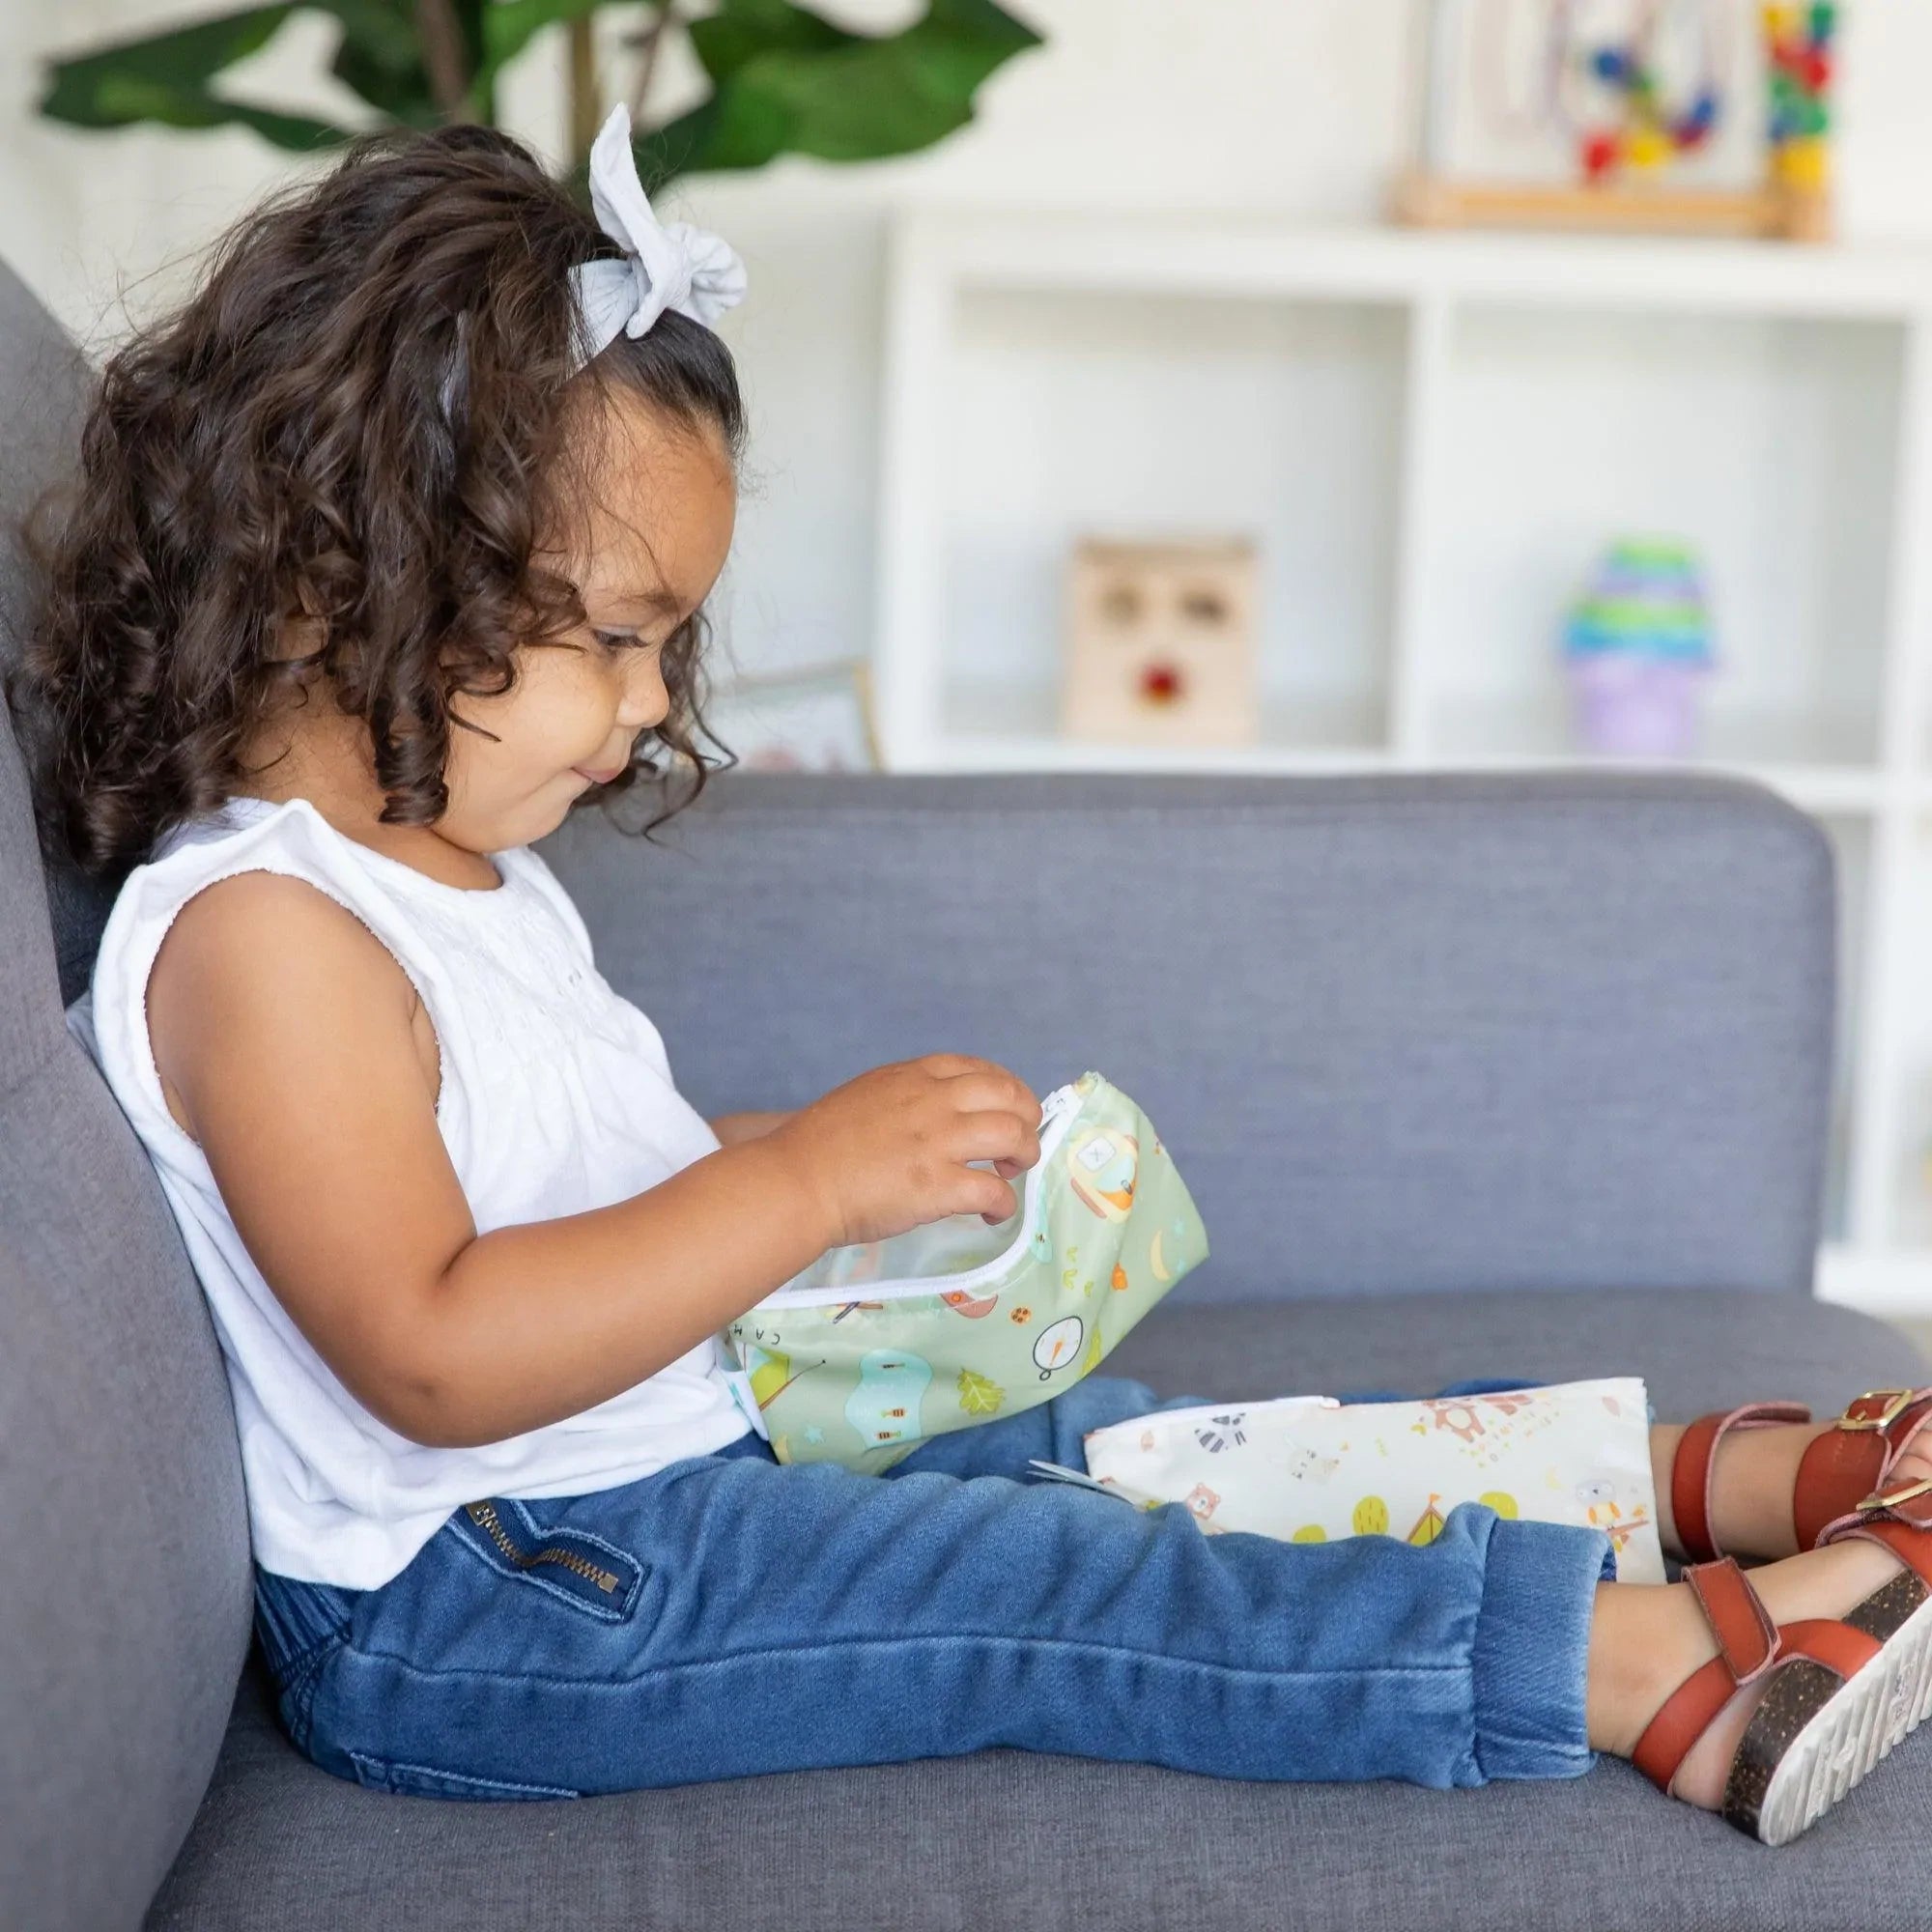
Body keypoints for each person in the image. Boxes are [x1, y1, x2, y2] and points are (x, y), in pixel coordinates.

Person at [12, 105, 1930, 1847]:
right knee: (1061, 1583)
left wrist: (839, 1182)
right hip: (497, 1603)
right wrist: (793, 1184)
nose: (652, 702)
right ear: (348, 572)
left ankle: (1702, 1475)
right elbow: (431, 1346)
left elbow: (544, 1174)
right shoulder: (267, 936)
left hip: (639, 1480)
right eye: (612, 636)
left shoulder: (451, 867)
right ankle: (1652, 1675)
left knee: (1132, 1452)